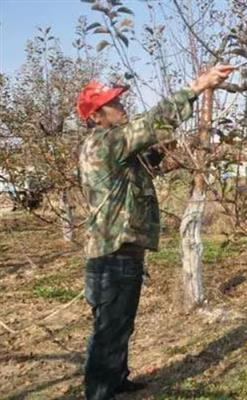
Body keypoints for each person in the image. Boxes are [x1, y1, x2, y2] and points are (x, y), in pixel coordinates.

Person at [76, 64, 234, 400]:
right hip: (113, 254)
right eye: (114, 104)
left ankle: (115, 380)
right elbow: (151, 124)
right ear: (97, 116)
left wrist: (181, 148)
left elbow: (148, 162)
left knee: (119, 325)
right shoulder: (105, 143)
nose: (122, 107)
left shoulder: (113, 148)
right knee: (109, 329)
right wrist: (198, 86)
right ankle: (99, 392)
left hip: (118, 252)